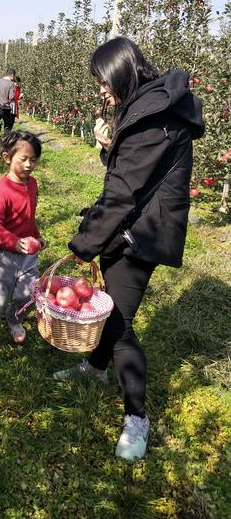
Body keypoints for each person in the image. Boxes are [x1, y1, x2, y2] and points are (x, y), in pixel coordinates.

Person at [53, 37, 204, 461]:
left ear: (123, 71)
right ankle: (95, 368)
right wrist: (107, 147)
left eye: (103, 81)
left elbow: (122, 192)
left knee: (118, 321)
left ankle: (137, 418)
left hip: (142, 233)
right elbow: (133, 173)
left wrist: (84, 244)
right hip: (133, 225)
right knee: (109, 303)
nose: (101, 89)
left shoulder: (153, 117)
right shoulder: (149, 108)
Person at [0, 131, 47, 361]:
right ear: (7, 158)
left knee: (29, 293)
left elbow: (29, 217)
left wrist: (36, 236)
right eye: (23, 159)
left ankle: (14, 318)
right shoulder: (1, 192)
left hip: (26, 250)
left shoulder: (32, 184)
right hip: (1, 253)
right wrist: (15, 242)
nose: (28, 164)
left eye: (33, 159)